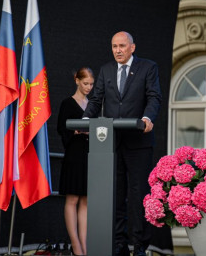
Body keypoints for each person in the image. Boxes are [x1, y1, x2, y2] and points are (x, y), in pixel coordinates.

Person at [83, 31, 162, 256]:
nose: (117, 50)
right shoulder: (106, 69)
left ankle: (139, 246)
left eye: (122, 46)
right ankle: (118, 244)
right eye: (114, 46)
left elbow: (154, 96)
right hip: (111, 143)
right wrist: (87, 120)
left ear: (132, 48)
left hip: (139, 142)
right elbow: (97, 99)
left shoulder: (148, 67)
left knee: (138, 195)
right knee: (115, 195)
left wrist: (148, 118)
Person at [57, 67, 95, 256]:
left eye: (91, 84)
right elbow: (61, 128)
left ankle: (84, 245)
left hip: (90, 155)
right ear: (77, 80)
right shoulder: (67, 103)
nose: (88, 87)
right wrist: (76, 131)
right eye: (85, 83)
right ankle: (76, 244)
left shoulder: (92, 105)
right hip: (74, 155)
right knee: (72, 199)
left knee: (86, 200)